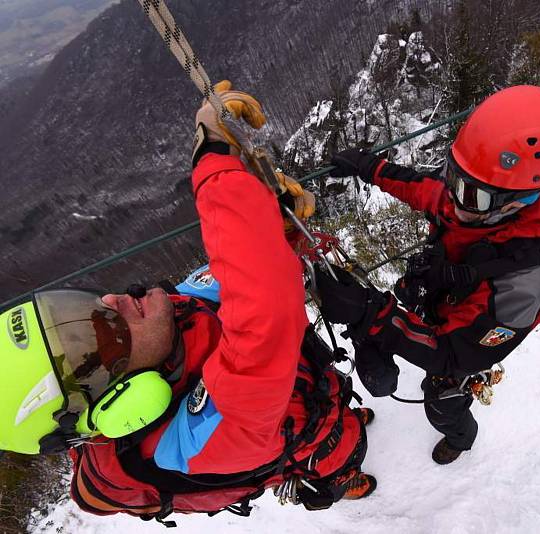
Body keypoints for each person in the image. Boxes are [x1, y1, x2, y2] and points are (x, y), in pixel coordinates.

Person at [0, 82, 375, 525]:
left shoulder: (168, 321)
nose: (114, 300)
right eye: (100, 337)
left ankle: (339, 424)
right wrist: (213, 161)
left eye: (84, 310)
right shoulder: (193, 443)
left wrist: (277, 230)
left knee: (333, 415)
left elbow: (233, 283)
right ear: (115, 406)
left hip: (302, 388)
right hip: (303, 430)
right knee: (335, 448)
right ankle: (339, 480)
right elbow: (265, 315)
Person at [315, 85, 540, 465]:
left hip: (464, 341)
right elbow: (425, 190)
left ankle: (461, 438)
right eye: (453, 177)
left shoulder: (526, 287)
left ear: (520, 202)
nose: (453, 198)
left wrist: (370, 312)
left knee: (443, 400)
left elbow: (452, 356)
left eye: (470, 194)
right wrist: (373, 169)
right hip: (440, 294)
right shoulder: (478, 202)